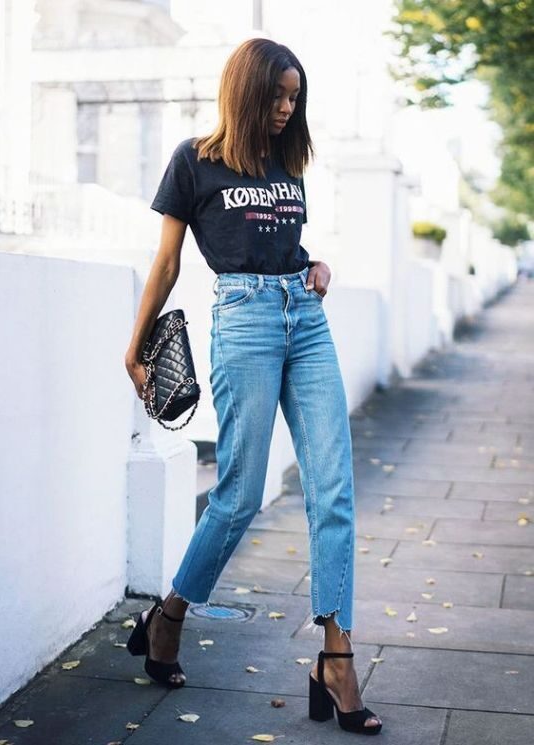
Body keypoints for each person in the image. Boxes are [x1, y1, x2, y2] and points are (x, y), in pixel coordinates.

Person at [124, 37, 382, 735]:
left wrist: (317, 263)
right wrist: (136, 342)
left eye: (294, 97)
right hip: (243, 322)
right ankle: (168, 615)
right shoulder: (194, 160)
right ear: (247, 90)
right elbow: (169, 260)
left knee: (334, 487)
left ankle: (337, 656)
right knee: (238, 494)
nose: (286, 108)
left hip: (306, 318)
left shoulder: (286, 161)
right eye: (276, 95)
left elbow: (286, 246)